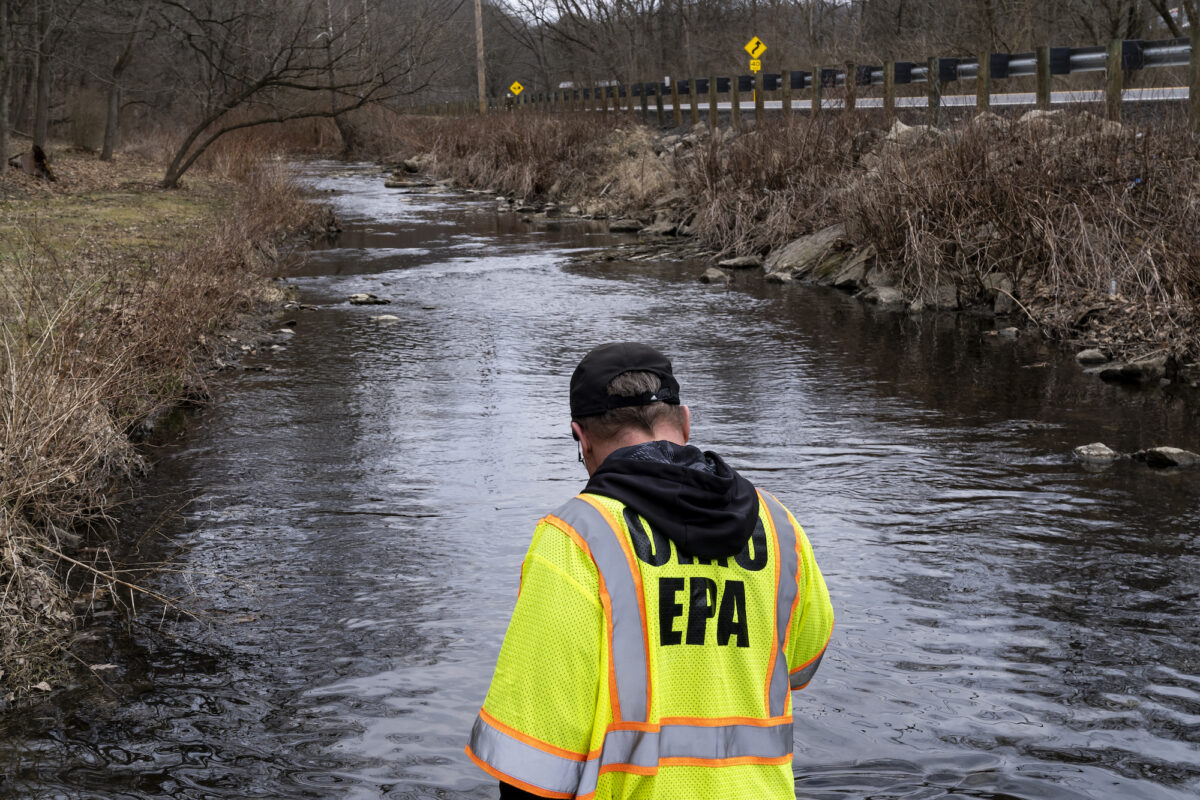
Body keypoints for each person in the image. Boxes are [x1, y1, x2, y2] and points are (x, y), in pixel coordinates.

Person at [467, 342, 834, 799]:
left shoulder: (575, 540)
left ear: (581, 438)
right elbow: (802, 663)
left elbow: (535, 756)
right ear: (685, 421)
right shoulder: (778, 525)